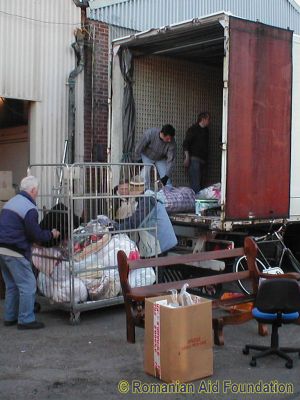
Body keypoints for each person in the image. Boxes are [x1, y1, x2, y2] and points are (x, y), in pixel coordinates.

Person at [0, 176, 60, 329]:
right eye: (37, 191)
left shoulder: (11, 202)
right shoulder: (29, 208)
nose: (37, 194)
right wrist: (51, 234)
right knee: (28, 284)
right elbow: (35, 234)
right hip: (16, 250)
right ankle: (26, 319)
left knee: (12, 285)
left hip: (2, 248)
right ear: (33, 190)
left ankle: (10, 317)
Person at [183, 112, 210, 193]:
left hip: (203, 160)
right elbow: (186, 143)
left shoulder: (206, 131)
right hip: (194, 159)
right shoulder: (193, 129)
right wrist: (187, 157)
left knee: (202, 183)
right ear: (203, 119)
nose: (209, 121)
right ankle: (196, 202)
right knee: (195, 183)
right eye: (208, 119)